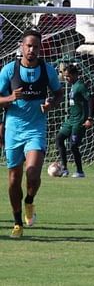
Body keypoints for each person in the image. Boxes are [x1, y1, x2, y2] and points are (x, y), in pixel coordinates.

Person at [0, 29, 63, 238]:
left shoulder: (47, 70)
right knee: (13, 179)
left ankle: (29, 201)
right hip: (13, 129)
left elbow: (58, 93)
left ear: (40, 48)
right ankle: (17, 222)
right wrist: (10, 98)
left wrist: (50, 103)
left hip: (35, 128)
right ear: (21, 46)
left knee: (33, 172)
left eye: (36, 46)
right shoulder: (9, 71)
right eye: (28, 46)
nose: (32, 50)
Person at [55, 64, 94, 178]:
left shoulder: (80, 86)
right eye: (65, 76)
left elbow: (90, 99)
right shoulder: (72, 86)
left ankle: (80, 171)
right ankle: (64, 168)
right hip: (71, 120)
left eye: (68, 76)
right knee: (59, 138)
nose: (66, 78)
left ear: (75, 75)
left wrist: (90, 118)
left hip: (79, 121)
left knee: (73, 146)